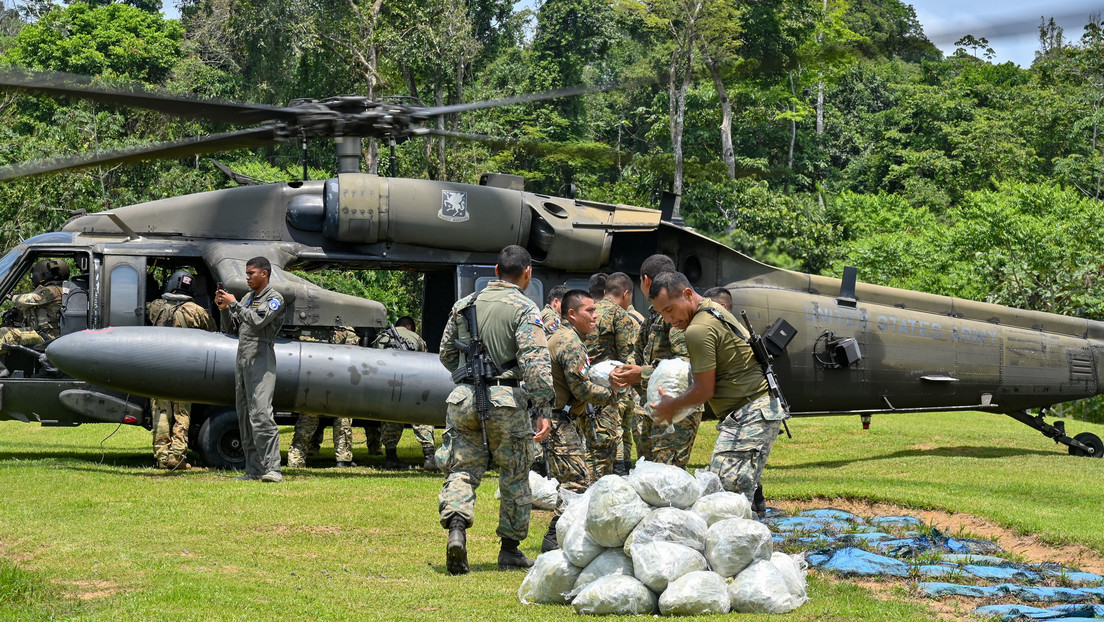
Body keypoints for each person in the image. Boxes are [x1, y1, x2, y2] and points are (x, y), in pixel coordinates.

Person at [437, 245, 553, 575]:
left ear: (496, 271)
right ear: (527, 273)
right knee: (515, 474)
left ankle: (457, 530)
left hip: (463, 398)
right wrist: (543, 406)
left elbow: (446, 354)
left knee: (462, 468)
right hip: (506, 399)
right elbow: (536, 364)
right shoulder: (525, 307)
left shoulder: (464, 304)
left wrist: (466, 376)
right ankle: (511, 550)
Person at [646, 271, 786, 511]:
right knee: (731, 496)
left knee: (725, 498)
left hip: (750, 412)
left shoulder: (697, 329)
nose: (668, 319)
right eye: (661, 314)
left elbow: (703, 390)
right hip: (756, 409)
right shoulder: (713, 308)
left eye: (669, 310)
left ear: (688, 294)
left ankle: (743, 544)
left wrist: (673, 405)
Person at [541, 289, 621, 552]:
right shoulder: (570, 342)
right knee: (575, 480)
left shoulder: (567, 337)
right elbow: (582, 390)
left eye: (595, 310)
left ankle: (560, 537)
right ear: (572, 314)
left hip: (560, 418)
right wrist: (612, 394)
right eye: (589, 311)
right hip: (557, 421)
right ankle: (554, 539)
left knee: (575, 478)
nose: (595, 316)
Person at [610, 254, 701, 469]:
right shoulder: (655, 314)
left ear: (646, 280)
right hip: (655, 403)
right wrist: (623, 371)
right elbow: (639, 351)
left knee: (667, 474)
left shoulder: (675, 314)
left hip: (677, 404)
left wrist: (640, 373)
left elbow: (685, 366)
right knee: (650, 472)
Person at [216, 256, 287, 483]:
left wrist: (234, 303)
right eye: (246, 273)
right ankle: (254, 470)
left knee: (261, 414)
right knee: (245, 415)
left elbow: (258, 322)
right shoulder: (248, 298)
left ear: (264, 273)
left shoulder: (274, 299)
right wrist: (224, 308)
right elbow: (232, 328)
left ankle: (273, 469)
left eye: (251, 273)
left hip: (261, 359)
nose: (247, 277)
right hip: (243, 359)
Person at [146, 270, 216, 470]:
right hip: (185, 370)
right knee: (182, 413)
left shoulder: (156, 307)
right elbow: (213, 331)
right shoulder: (198, 311)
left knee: (160, 412)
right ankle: (177, 456)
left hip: (158, 368)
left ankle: (161, 457)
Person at [587, 271, 637, 478]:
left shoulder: (589, 312)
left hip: (586, 385)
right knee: (615, 431)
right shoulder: (619, 315)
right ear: (626, 293)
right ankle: (617, 472)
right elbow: (629, 357)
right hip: (611, 386)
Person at [286, 327, 359, 469]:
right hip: (336, 383)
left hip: (311, 384)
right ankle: (343, 459)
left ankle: (295, 460)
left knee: (305, 425)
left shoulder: (305, 331)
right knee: (342, 422)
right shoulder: (345, 331)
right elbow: (353, 354)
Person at [373, 316, 438, 471]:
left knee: (390, 418)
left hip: (387, 384)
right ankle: (429, 458)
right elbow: (425, 363)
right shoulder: (416, 338)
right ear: (409, 326)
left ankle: (391, 458)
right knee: (422, 417)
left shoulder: (381, 337)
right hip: (412, 384)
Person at [0, 259, 66, 378]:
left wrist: (10, 296)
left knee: (3, 333)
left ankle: (2, 371)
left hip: (47, 336)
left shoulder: (53, 290)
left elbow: (29, 299)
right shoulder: (57, 289)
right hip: (44, 333)